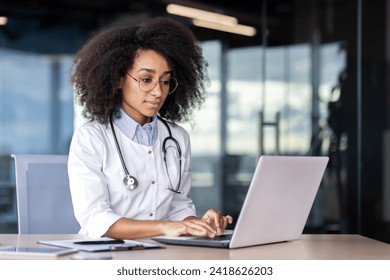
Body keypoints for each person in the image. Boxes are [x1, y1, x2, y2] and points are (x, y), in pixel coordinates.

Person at [68, 17, 232, 240]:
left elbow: (178, 207)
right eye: (146, 79)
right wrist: (165, 227)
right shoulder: (91, 137)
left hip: (163, 252)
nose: (158, 91)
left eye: (165, 81)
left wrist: (198, 223)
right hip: (107, 256)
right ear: (117, 79)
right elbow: (95, 219)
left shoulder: (177, 137)